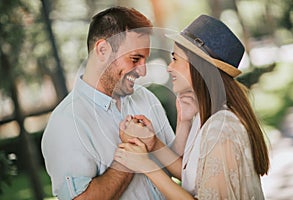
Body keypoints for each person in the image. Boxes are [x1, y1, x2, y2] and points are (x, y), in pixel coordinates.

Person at [115, 14, 270, 199]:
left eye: (175, 59)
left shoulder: (221, 130)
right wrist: (153, 143)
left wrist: (147, 166)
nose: (169, 67)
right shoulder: (207, 118)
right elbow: (196, 180)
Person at [41, 6, 175, 200]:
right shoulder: (65, 124)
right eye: (135, 59)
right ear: (103, 50)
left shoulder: (145, 98)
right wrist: (131, 154)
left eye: (145, 59)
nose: (143, 71)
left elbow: (177, 166)